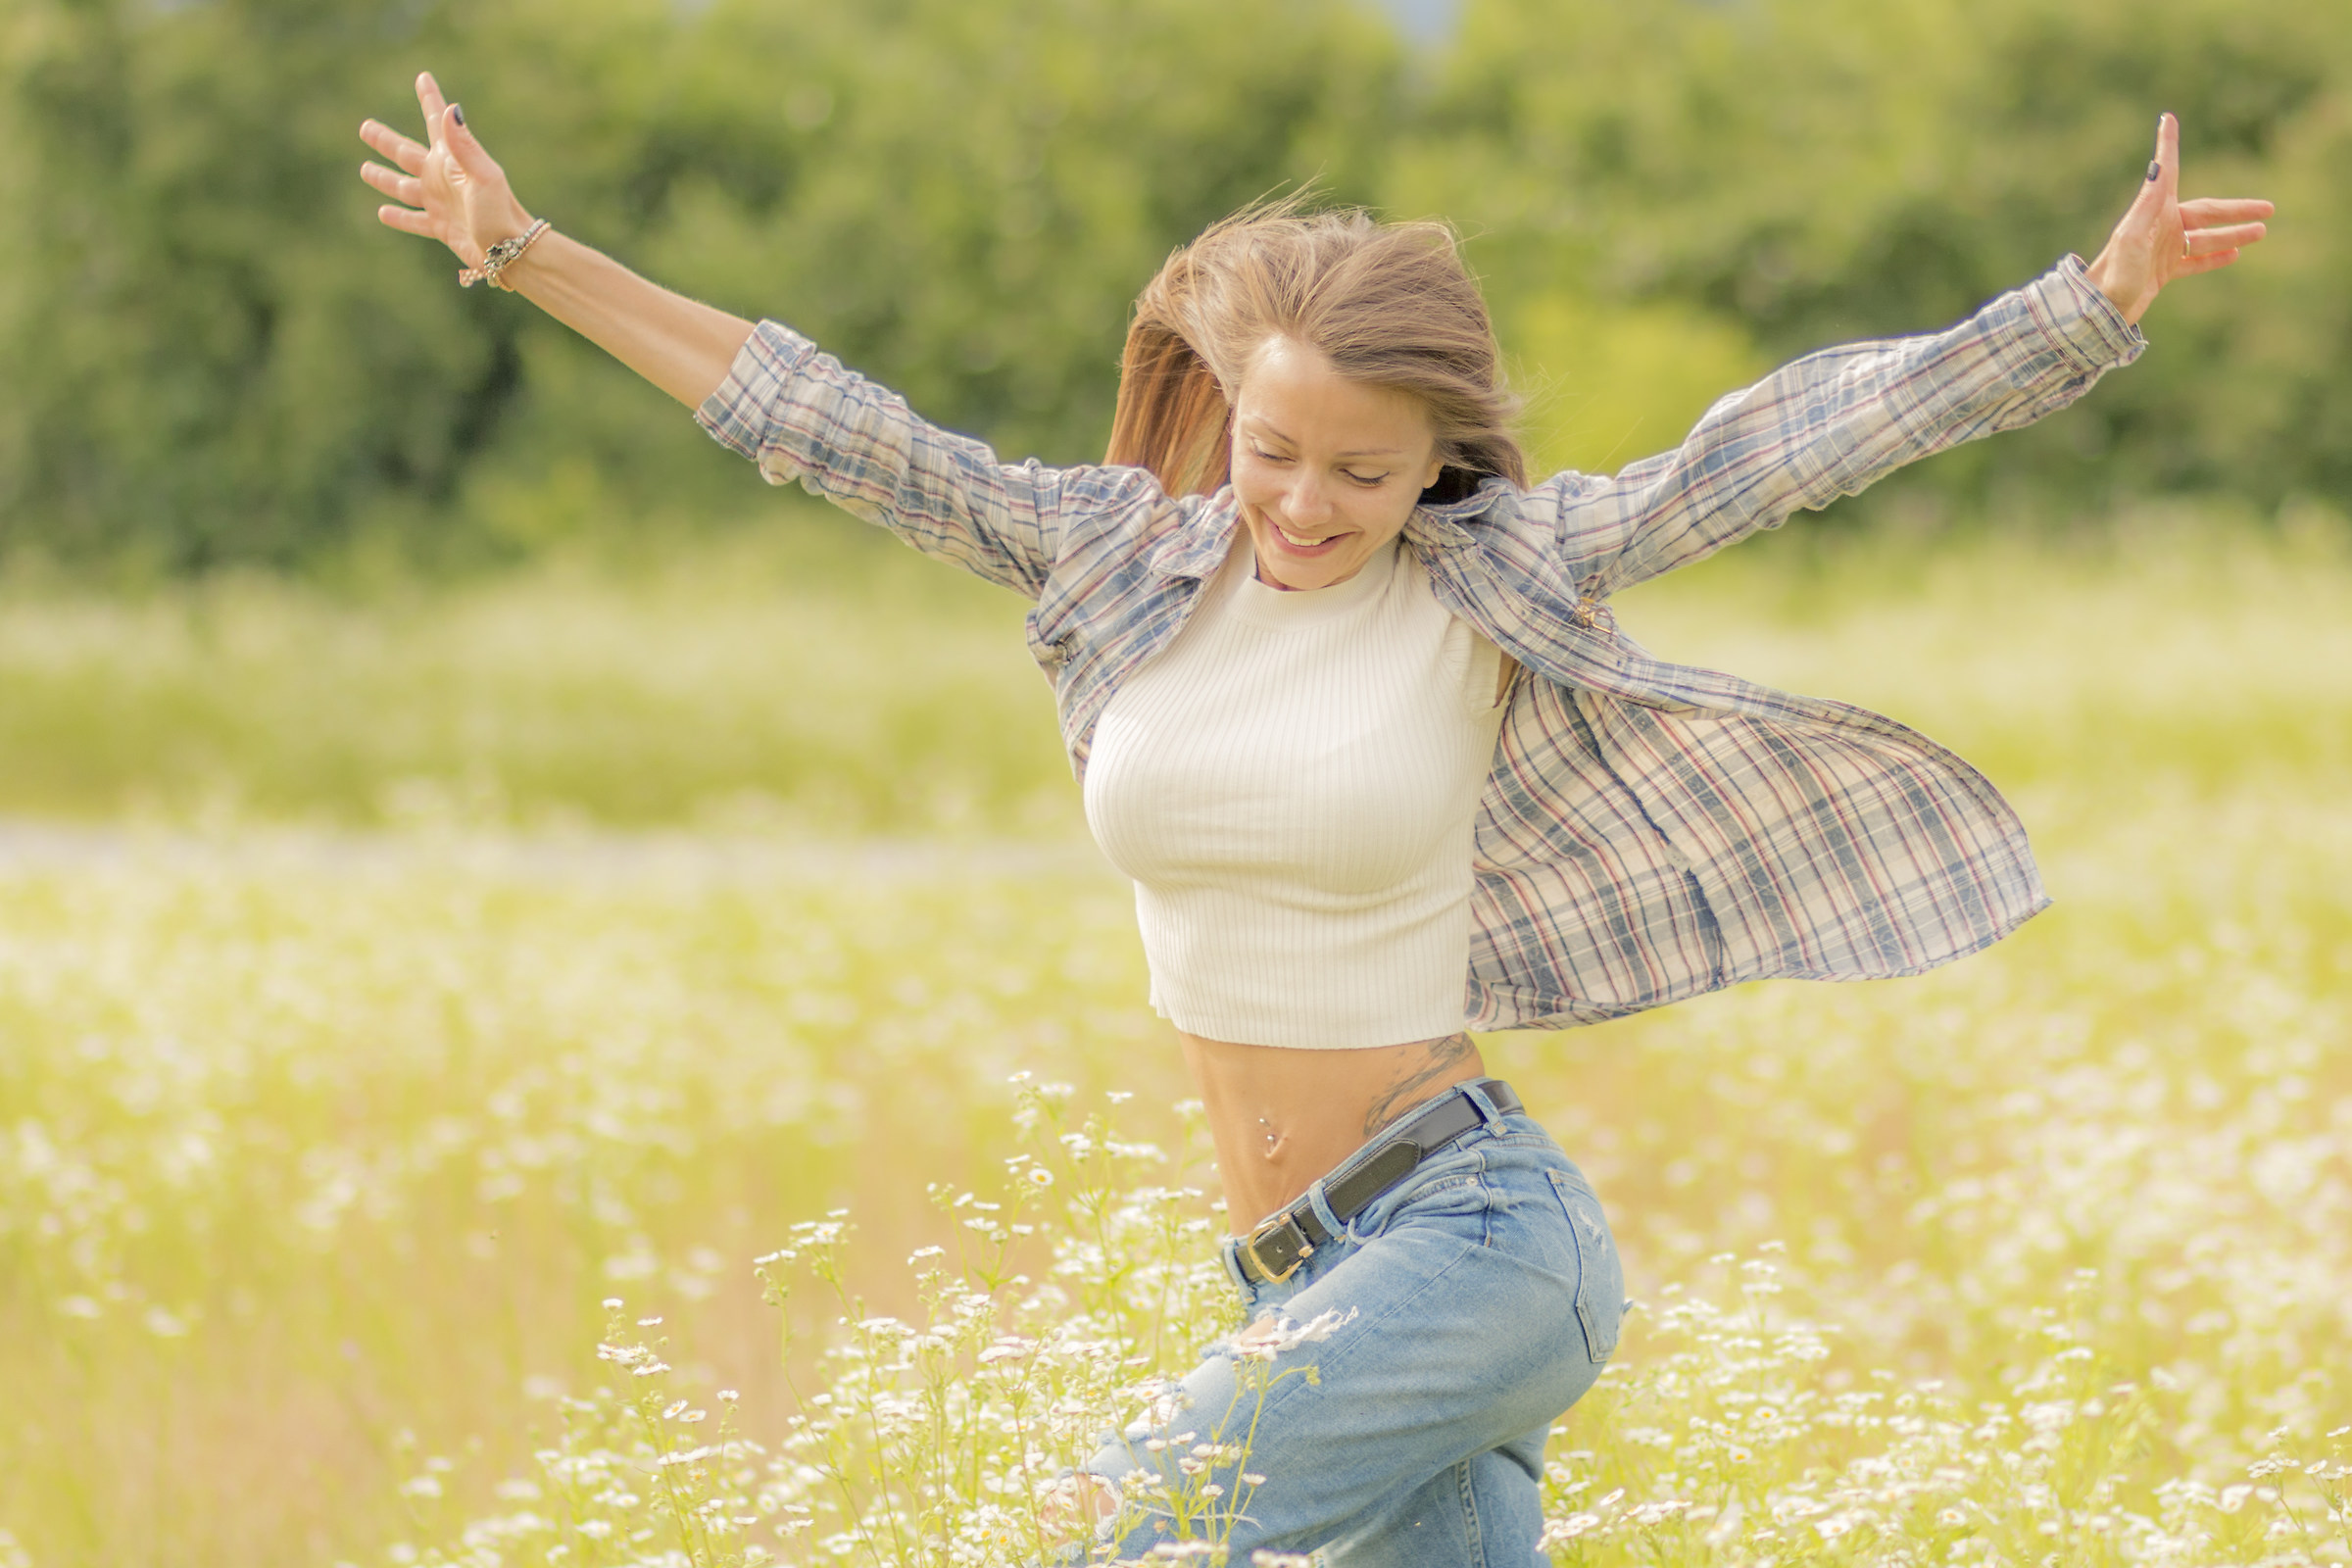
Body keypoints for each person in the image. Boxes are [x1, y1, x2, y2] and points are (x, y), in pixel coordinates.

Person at [361, 76, 2271, 1564]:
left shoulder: (1487, 580)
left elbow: (1779, 444)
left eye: (1365, 469)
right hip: (1303, 1261)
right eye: (1274, 450)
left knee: (1126, 1511)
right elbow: (818, 417)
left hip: (1477, 1234)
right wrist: (524, 247)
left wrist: (2085, 307)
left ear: (1439, 456)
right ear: (1222, 406)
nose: (1304, 500)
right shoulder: (1119, 557)